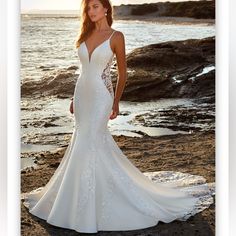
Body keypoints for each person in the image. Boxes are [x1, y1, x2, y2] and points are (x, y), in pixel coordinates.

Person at [22, 0, 215, 233]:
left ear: (106, 8)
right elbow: (83, 72)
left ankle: (93, 201)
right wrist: (74, 99)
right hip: (82, 95)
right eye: (88, 8)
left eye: (95, 6)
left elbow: (122, 73)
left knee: (91, 142)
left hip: (102, 97)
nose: (91, 11)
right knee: (81, 143)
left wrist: (115, 101)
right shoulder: (84, 34)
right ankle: (76, 198)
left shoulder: (116, 36)